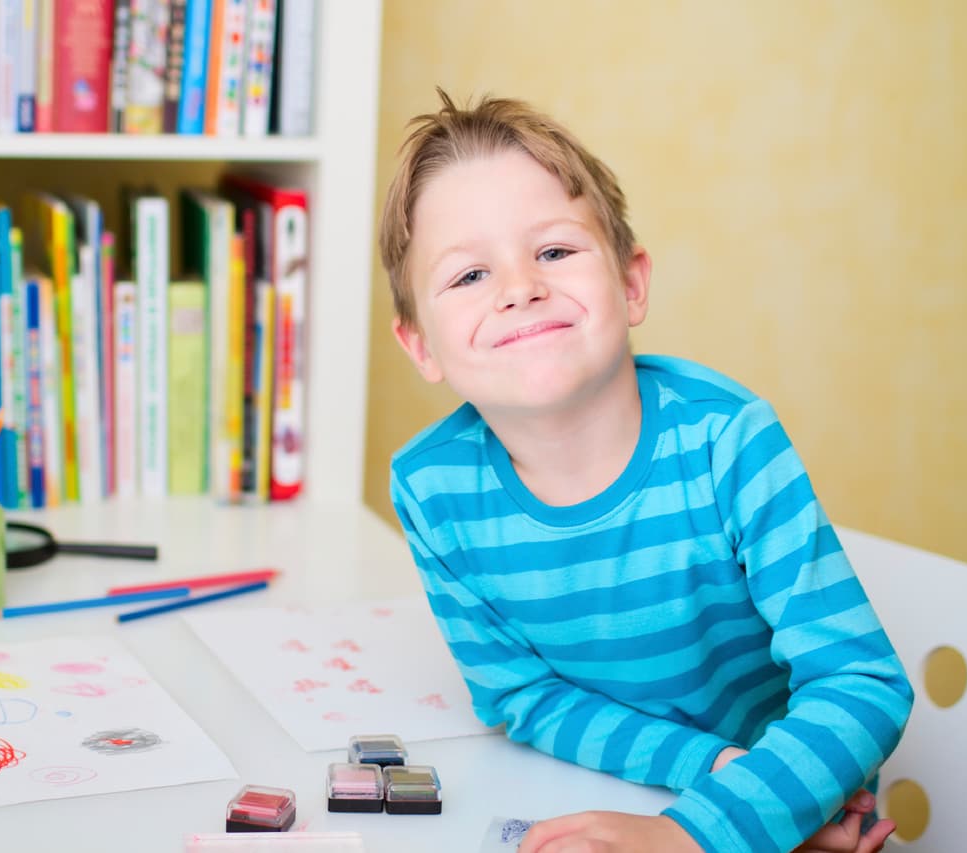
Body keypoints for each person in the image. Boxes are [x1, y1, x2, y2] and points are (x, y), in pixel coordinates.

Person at [380, 90, 914, 853]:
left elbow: (862, 684)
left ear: (631, 284)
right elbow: (523, 695)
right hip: (678, 795)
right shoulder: (432, 491)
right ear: (420, 345)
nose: (519, 288)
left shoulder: (727, 439)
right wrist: (714, 772)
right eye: (469, 276)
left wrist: (702, 829)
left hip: (792, 814)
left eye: (555, 251)